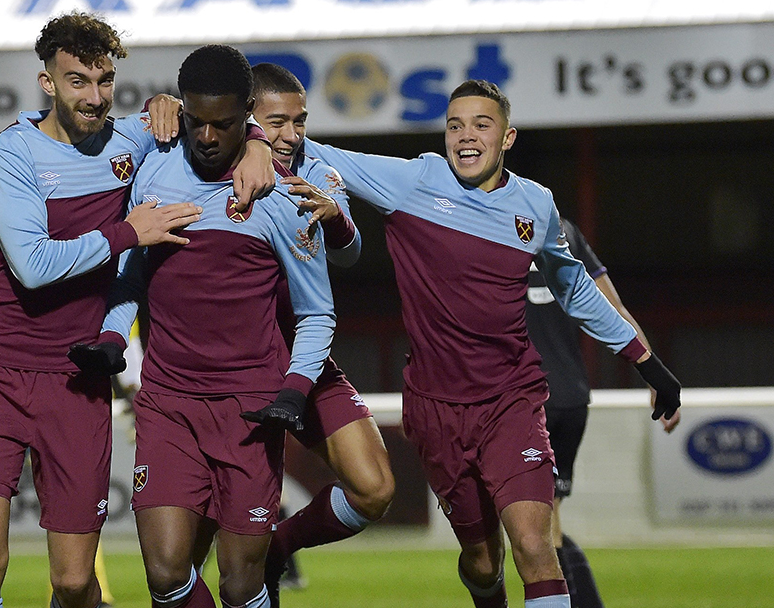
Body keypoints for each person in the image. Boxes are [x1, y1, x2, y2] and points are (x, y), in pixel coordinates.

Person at [293, 80, 682, 608]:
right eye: (456, 125)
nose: (467, 136)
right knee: (482, 561)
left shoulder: (535, 204)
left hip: (512, 402)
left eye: (482, 124)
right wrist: (254, 140)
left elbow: (576, 290)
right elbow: (312, 150)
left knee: (535, 547)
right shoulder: (412, 181)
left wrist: (647, 363)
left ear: (508, 137)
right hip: (437, 411)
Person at [0, 13, 275, 608]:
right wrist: (128, 232)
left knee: (74, 583)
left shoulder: (135, 138)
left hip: (77, 379)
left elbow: (212, 121)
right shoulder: (12, 153)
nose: (93, 98)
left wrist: (256, 143)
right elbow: (35, 266)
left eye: (103, 82)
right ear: (47, 82)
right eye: (77, 82)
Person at [76, 44, 337, 608]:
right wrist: (112, 337)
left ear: (248, 115)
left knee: (243, 583)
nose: (208, 137)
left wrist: (294, 389)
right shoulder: (152, 171)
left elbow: (318, 313)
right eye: (197, 121)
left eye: (224, 124)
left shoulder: (284, 197)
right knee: (167, 573)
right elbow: (130, 277)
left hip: (250, 408)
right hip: (169, 404)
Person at [249, 63, 395, 606]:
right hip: (230, 363)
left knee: (374, 488)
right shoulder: (207, 168)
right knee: (196, 546)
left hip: (305, 355)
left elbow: (351, 252)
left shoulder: (320, 168)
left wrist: (337, 217)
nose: (292, 134)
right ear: (246, 119)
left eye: (300, 121)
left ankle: (277, 549)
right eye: (277, 122)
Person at [526, 218, 681, 608]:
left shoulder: (482, 224)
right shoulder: (564, 230)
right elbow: (614, 306)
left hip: (527, 400)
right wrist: (653, 374)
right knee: (546, 522)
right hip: (571, 398)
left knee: (536, 532)